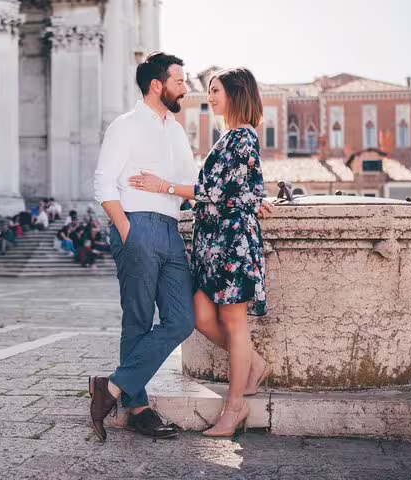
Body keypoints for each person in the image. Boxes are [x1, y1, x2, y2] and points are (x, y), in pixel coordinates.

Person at [129, 67, 273, 437]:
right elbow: (244, 188)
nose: (210, 96)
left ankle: (234, 407)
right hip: (214, 243)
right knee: (200, 315)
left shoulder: (242, 137)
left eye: (216, 90)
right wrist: (255, 198)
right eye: (209, 90)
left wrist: (164, 186)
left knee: (234, 324)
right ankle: (255, 363)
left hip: (232, 243)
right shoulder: (228, 138)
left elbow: (219, 192)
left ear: (237, 93)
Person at [89, 52, 197, 442]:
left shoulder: (177, 130)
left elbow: (191, 185)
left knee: (182, 319)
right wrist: (127, 229)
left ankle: (113, 386)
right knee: (137, 319)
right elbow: (103, 182)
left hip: (170, 229)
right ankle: (138, 409)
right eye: (180, 81)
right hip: (136, 225)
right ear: (158, 85)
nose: (185, 87)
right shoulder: (126, 125)